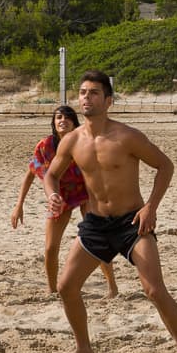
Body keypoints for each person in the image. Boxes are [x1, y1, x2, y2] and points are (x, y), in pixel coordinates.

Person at [43, 70, 177, 353]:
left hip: (132, 223)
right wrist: (51, 194)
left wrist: (151, 207)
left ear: (109, 100)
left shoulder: (127, 136)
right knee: (66, 286)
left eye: (93, 93)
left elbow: (165, 166)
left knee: (153, 289)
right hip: (96, 224)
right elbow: (51, 174)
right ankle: (84, 348)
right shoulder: (73, 141)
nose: (86, 98)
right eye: (82, 92)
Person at [11, 105, 117, 298]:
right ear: (53, 122)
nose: (62, 120)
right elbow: (30, 175)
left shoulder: (83, 142)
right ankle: (51, 289)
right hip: (59, 196)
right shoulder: (45, 146)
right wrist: (19, 205)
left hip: (86, 192)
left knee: (96, 240)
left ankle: (112, 288)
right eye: (58, 117)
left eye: (67, 117)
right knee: (51, 247)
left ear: (74, 123)